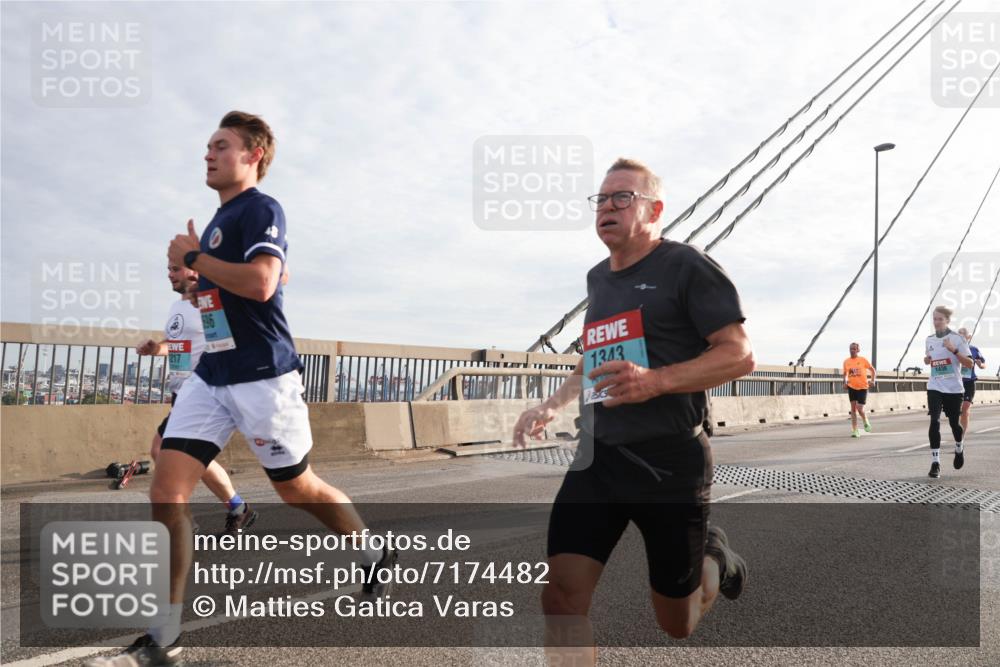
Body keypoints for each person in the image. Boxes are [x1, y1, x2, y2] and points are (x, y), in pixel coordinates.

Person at [87, 111, 396, 667]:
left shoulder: (261, 207)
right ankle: (164, 634)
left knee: (297, 490)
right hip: (213, 378)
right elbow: (222, 306)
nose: (208, 154)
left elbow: (261, 283)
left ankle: (373, 552)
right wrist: (190, 286)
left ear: (253, 154)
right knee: (166, 489)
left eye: (221, 145)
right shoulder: (216, 222)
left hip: (263, 379)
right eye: (206, 146)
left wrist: (195, 260)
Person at [513, 158, 755, 662]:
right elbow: (592, 356)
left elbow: (739, 354)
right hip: (598, 460)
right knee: (560, 599)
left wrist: (655, 382)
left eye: (622, 197)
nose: (607, 207)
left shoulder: (687, 266)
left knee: (678, 623)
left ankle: (717, 559)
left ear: (654, 209)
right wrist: (551, 404)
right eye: (600, 199)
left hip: (669, 464)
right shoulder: (598, 279)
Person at [135, 262, 257, 535]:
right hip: (183, 393)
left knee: (163, 451)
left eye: (175, 268)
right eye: (167, 268)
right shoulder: (177, 307)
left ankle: (186, 522)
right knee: (190, 458)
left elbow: (225, 345)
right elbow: (177, 346)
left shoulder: (208, 302)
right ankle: (238, 508)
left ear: (194, 271)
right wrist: (157, 349)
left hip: (202, 393)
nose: (169, 273)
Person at [922, 306, 973, 478]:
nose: (936, 322)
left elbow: (969, 364)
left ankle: (959, 446)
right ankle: (935, 462)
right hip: (934, 387)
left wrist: (954, 350)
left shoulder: (957, 339)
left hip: (953, 389)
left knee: (954, 424)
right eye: (934, 319)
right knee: (934, 421)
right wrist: (927, 359)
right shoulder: (929, 339)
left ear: (947, 321)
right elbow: (928, 358)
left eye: (940, 319)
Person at [957, 327, 987, 439]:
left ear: (968, 337)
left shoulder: (973, 350)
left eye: (963, 335)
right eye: (958, 335)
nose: (961, 337)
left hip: (969, 382)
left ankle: (962, 438)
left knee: (965, 409)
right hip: (956, 383)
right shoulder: (952, 350)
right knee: (957, 411)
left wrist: (980, 364)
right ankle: (958, 431)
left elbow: (984, 365)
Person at [841, 342, 876, 437]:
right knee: (853, 409)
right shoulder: (846, 361)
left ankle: (865, 420)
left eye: (854, 349)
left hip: (863, 387)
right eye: (850, 349)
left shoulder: (863, 360)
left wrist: (873, 380)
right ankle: (855, 430)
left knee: (859, 409)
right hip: (852, 387)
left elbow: (872, 370)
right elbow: (845, 374)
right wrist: (844, 382)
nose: (852, 350)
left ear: (857, 350)